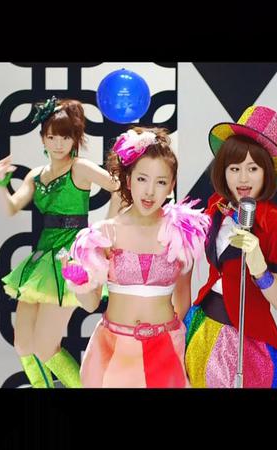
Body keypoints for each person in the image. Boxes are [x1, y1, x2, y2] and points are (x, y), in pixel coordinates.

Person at [63, 127, 209, 388]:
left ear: (172, 185)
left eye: (161, 182)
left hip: (165, 351)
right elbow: (90, 304)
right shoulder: (105, 233)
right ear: (129, 180)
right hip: (113, 351)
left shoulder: (181, 232)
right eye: (142, 179)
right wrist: (79, 281)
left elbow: (183, 300)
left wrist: (178, 342)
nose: (150, 191)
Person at [0, 97, 120, 388]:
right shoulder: (35, 176)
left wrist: (103, 233)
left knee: (45, 347)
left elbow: (119, 187)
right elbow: (12, 207)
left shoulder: (80, 167)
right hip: (40, 261)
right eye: (52, 137)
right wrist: (0, 182)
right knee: (23, 345)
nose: (59, 144)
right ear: (43, 138)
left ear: (75, 139)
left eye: (65, 137)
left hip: (69, 260)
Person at [183, 105, 277, 388]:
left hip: (247, 341)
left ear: (267, 173)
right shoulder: (216, 208)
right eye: (234, 168)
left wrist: (259, 266)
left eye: (253, 168)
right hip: (201, 326)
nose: (243, 178)